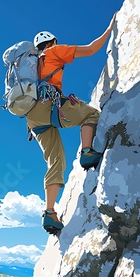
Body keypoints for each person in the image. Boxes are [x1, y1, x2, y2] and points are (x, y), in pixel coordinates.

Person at [27, 12, 117, 234]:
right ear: (52, 42)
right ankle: (87, 152)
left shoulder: (31, 66)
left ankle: (50, 213)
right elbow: (91, 49)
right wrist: (110, 28)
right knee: (91, 115)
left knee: (55, 162)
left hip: (32, 117)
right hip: (50, 105)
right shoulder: (55, 51)